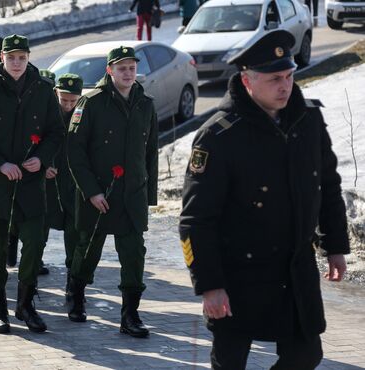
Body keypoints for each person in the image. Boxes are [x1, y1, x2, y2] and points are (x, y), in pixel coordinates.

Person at [178, 30, 350, 369]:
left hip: (295, 270)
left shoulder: (308, 121)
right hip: (239, 275)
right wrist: (210, 285)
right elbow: (196, 220)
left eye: (288, 76)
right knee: (230, 362)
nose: (285, 86)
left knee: (306, 354)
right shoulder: (219, 136)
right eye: (274, 79)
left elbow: (327, 187)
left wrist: (335, 246)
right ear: (247, 81)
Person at [0, 35, 64, 334]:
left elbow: (56, 132)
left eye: (22, 57)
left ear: (29, 57)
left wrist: (42, 158)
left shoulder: (43, 88)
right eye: (11, 57)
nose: (17, 63)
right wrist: (0, 164)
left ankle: (26, 304)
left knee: (33, 244)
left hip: (31, 182)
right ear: (2, 58)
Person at [66, 46, 158, 338]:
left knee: (134, 255)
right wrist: (91, 191)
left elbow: (150, 154)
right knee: (88, 250)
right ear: (110, 71)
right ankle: (76, 295)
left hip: (132, 195)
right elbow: (75, 151)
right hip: (99, 194)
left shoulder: (146, 103)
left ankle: (130, 315)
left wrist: (148, 196)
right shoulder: (90, 102)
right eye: (122, 68)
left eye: (131, 67)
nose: (128, 73)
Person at [44, 73, 83, 297]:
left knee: (74, 233)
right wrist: (43, 165)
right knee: (39, 231)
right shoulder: (46, 113)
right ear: (56, 93)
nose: (68, 105)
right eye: (64, 99)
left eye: (73, 101)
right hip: (47, 183)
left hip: (73, 183)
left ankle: (73, 281)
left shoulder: (85, 115)